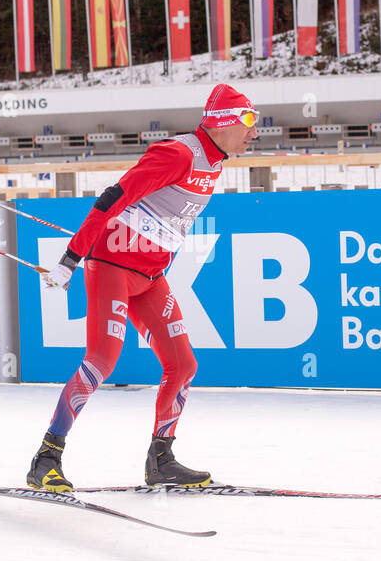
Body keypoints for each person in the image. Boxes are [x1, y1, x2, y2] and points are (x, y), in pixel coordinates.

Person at [27, 83, 260, 492]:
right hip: (113, 266)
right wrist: (71, 259)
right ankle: (46, 458)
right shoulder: (178, 153)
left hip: (150, 277)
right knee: (101, 360)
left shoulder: (214, 162)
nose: (253, 131)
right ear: (222, 122)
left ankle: (161, 460)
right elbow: (113, 198)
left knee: (183, 365)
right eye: (247, 120)